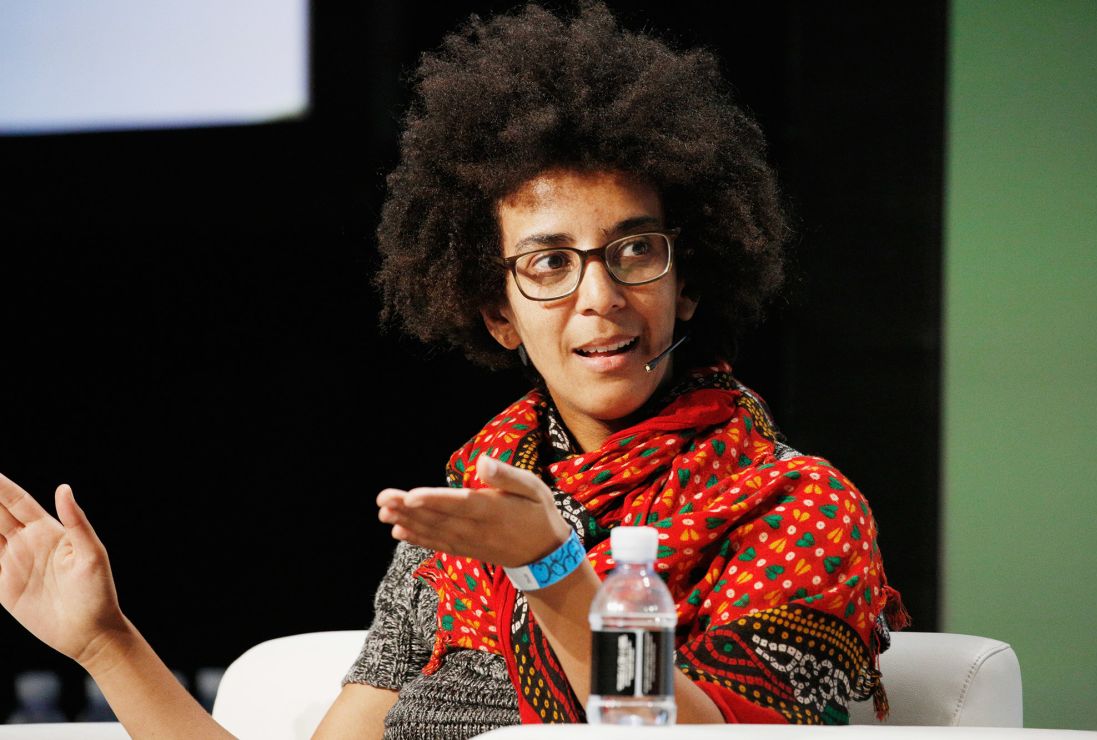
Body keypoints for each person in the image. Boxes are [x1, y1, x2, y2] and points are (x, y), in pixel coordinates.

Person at [0, 4, 906, 739]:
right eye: (548, 264)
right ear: (496, 312)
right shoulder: (465, 522)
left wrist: (556, 572)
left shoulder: (796, 509)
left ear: (690, 283)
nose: (601, 297)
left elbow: (705, 738)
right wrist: (104, 641)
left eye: (635, 249)